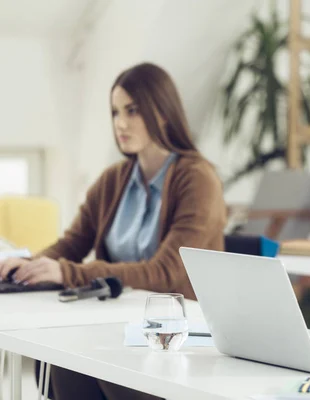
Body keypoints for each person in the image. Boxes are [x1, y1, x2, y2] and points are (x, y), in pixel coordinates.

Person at [0, 63, 227, 399]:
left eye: (132, 111)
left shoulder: (197, 179)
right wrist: (27, 265)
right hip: (118, 321)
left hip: (179, 334)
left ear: (162, 112)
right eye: (115, 112)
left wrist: (67, 272)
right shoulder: (114, 180)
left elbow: (165, 273)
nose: (120, 123)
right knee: (64, 360)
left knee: (99, 367)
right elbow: (72, 243)